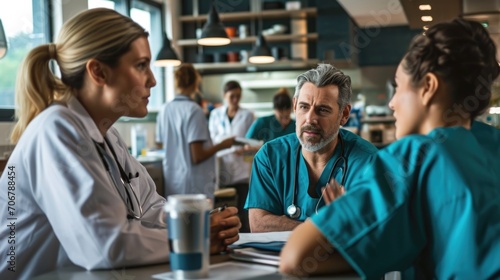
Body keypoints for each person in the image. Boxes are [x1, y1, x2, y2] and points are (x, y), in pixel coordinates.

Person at [0, 9, 240, 280]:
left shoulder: (107, 135)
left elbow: (150, 208)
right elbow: (103, 246)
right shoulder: (55, 129)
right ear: (98, 72)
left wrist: (197, 223)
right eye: (141, 65)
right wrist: (193, 239)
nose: (153, 80)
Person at [279, 18, 500, 279]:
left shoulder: (415, 155)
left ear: (428, 87)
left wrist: (354, 227)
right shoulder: (492, 143)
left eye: (398, 86)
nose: (393, 103)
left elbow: (296, 257)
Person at [244, 63, 378, 232]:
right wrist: (325, 228)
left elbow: (373, 232)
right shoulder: (270, 157)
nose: (310, 119)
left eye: (322, 110)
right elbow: (259, 225)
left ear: (343, 114)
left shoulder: (367, 162)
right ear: (294, 106)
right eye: (304, 107)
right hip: (277, 258)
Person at [156, 64, 234, 199]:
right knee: (199, 220)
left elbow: (160, 143)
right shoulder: (194, 110)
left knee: (178, 220)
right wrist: (223, 145)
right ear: (195, 83)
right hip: (193, 184)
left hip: (173, 180)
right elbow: (197, 156)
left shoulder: (165, 109)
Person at [208, 80, 255, 232]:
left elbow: (250, 141)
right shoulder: (215, 115)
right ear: (224, 95)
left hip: (241, 170)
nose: (235, 100)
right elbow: (212, 142)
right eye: (232, 96)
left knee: (242, 211)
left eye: (238, 96)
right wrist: (228, 147)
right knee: (224, 211)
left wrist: (246, 148)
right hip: (221, 168)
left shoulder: (247, 115)